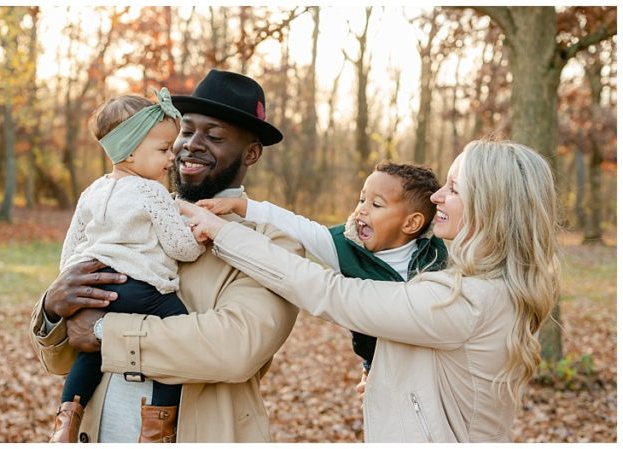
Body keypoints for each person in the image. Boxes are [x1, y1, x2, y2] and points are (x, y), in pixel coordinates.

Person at [181, 139, 559, 442]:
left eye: (454, 189)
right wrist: (387, 382)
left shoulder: (466, 300)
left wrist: (223, 233)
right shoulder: (485, 286)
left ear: (490, 208)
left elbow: (331, 293)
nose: (437, 197)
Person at [30, 69, 302, 443]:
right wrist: (53, 308)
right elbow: (62, 360)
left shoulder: (274, 242)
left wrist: (102, 331)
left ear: (251, 152)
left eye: (215, 135)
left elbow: (236, 348)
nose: (188, 145)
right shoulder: (135, 215)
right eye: (186, 131)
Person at [49, 88, 204, 443]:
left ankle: (65, 423)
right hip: (140, 288)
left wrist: (74, 287)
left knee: (91, 352)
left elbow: (71, 248)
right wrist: (200, 237)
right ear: (130, 150)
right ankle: (157, 430)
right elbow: (182, 248)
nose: (171, 158)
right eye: (163, 150)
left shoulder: (92, 191)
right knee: (177, 342)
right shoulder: (152, 193)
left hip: (95, 286)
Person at [198, 161, 447, 375]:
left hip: (428, 362)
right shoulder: (347, 247)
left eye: (377, 205)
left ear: (412, 223)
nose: (361, 209)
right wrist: (241, 206)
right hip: (379, 364)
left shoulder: (437, 257)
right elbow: (298, 227)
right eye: (362, 199)